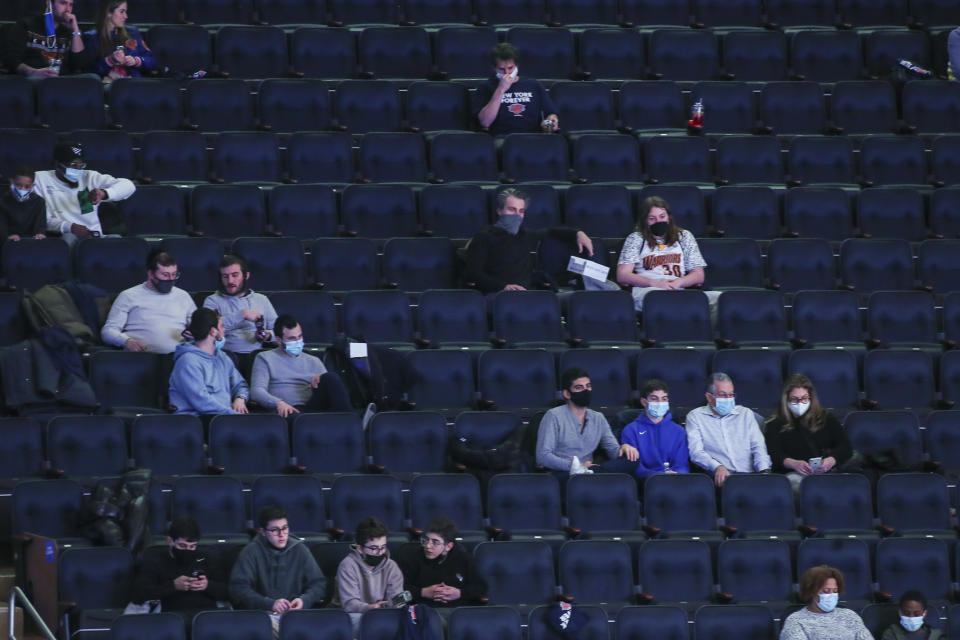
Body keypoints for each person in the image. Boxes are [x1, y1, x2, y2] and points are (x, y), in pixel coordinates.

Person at [464, 188, 594, 294]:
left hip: (527, 294)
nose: (517, 215)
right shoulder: (484, 237)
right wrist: (503, 286)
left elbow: (551, 231)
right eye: (512, 209)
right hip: (497, 295)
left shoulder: (525, 235)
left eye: (521, 211)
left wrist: (578, 233)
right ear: (499, 210)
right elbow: (473, 274)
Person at [616, 195, 719, 312]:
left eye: (662, 216)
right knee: (663, 299)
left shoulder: (684, 236)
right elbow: (623, 275)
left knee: (721, 299)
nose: (658, 221)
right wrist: (655, 283)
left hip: (677, 291)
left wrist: (680, 282)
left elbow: (699, 275)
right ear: (645, 220)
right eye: (652, 218)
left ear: (668, 217)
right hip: (649, 292)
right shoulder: (636, 238)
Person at [536, 367, 639, 481]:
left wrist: (623, 448)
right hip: (563, 473)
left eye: (588, 386)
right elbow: (543, 456)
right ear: (567, 393)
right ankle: (593, 474)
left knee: (632, 460)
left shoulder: (598, 418)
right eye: (579, 387)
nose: (585, 390)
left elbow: (613, 451)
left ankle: (593, 473)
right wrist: (575, 466)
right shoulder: (553, 416)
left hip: (589, 471)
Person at [765, 374, 853, 494]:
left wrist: (831, 460)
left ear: (811, 398)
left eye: (804, 398)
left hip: (825, 472)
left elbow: (845, 447)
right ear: (786, 400)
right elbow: (773, 453)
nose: (800, 403)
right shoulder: (775, 424)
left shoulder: (825, 418)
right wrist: (793, 463)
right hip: (793, 474)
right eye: (794, 399)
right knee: (795, 484)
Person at [33, 141, 136, 244]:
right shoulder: (39, 179)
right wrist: (69, 227)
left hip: (93, 236)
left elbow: (129, 186)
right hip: (61, 236)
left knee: (116, 239)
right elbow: (39, 219)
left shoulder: (91, 177)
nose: (78, 170)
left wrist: (104, 193)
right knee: (68, 238)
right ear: (57, 164)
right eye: (73, 165)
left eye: (81, 165)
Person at [250, 314, 352, 417]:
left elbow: (329, 391)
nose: (297, 341)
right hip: (285, 410)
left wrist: (321, 378)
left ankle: (350, 421)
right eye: (291, 338)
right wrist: (278, 403)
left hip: (311, 407)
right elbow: (256, 391)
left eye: (300, 336)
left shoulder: (313, 360)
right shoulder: (264, 358)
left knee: (330, 377)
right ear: (279, 340)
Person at [229, 505, 326, 613]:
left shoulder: (300, 549)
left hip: (295, 614)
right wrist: (269, 604)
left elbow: (318, 584)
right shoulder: (250, 552)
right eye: (275, 530)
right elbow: (238, 589)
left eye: (285, 528)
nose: (282, 534)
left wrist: (304, 600)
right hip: (262, 615)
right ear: (263, 532)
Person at [132, 516, 228, 622]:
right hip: (170, 617)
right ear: (170, 541)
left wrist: (207, 585)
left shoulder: (206, 558)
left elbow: (226, 591)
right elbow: (140, 594)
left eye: (192, 546)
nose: (188, 550)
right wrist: (173, 586)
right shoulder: (155, 560)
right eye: (182, 546)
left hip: (205, 616)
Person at [685, 372, 772, 487]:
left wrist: (764, 471)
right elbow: (696, 452)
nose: (728, 399)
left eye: (731, 394)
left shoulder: (745, 414)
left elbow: (758, 447)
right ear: (709, 397)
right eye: (722, 395)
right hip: (722, 478)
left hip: (751, 475)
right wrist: (717, 467)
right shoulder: (695, 417)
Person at [101, 251, 196, 353]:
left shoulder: (183, 296)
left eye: (174, 275)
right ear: (151, 274)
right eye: (165, 275)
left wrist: (195, 334)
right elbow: (108, 332)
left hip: (179, 358)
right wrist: (126, 341)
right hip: (141, 357)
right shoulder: (128, 296)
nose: (170, 279)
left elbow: (198, 327)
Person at [168, 308, 249, 415]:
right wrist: (234, 415)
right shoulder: (187, 362)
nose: (224, 330)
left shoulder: (222, 357)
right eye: (222, 326)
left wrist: (240, 398)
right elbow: (202, 403)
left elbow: (240, 385)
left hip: (223, 418)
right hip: (197, 420)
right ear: (213, 331)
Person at [332, 516, 405, 633]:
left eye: (383, 547)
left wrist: (394, 604)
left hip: (383, 615)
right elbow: (350, 605)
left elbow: (396, 599)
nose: (380, 552)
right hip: (353, 616)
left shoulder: (392, 566)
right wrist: (372, 608)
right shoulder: (347, 565)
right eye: (374, 548)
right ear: (360, 548)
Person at [396, 517, 486, 610]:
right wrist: (422, 592)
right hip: (422, 612)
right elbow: (397, 598)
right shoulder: (410, 557)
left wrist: (460, 593)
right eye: (426, 539)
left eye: (435, 542)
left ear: (448, 546)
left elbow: (481, 588)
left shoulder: (462, 558)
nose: (428, 546)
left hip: (455, 611)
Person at [477, 43, 559, 136]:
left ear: (517, 66)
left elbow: (551, 113)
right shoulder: (486, 87)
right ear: (494, 68)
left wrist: (551, 121)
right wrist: (501, 89)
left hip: (532, 137)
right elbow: (485, 122)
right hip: (501, 138)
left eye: (510, 68)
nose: (506, 73)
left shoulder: (534, 85)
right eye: (501, 69)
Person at [203, 255, 277, 354]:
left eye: (235, 275)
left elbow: (279, 332)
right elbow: (207, 331)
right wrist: (242, 314)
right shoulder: (212, 300)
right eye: (225, 276)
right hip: (225, 355)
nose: (230, 281)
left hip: (256, 356)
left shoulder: (261, 299)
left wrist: (267, 335)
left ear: (246, 276)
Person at [620, 379, 690, 483]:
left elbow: (682, 465)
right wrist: (659, 476)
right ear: (644, 402)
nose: (660, 403)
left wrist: (677, 475)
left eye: (664, 399)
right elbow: (635, 467)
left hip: (675, 481)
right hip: (646, 483)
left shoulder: (679, 431)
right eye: (654, 399)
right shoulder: (630, 430)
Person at [780, 565, 872, 640]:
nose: (832, 595)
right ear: (812, 591)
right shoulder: (796, 621)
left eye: (835, 591)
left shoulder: (850, 616)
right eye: (826, 591)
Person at [3, 0, 86, 78]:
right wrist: (32, 72)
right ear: (49, 3)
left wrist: (75, 30)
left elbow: (78, 65)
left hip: (61, 81)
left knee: (92, 78)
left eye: (71, 5)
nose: (68, 9)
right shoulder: (27, 24)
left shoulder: (71, 31)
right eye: (63, 3)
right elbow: (11, 59)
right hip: (32, 79)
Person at [83, 0, 155, 82]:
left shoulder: (132, 33)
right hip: (108, 86)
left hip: (134, 84)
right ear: (109, 13)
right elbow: (90, 69)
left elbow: (152, 60)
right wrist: (110, 60)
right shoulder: (92, 37)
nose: (126, 16)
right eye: (122, 12)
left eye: (125, 12)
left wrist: (136, 61)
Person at [0, 165, 47, 243]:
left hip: (30, 242)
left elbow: (40, 225)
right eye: (18, 185)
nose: (22, 189)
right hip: (6, 241)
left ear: (32, 186)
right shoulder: (2, 201)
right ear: (12, 182)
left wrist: (39, 234)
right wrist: (7, 236)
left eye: (27, 186)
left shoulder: (39, 202)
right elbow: (2, 225)